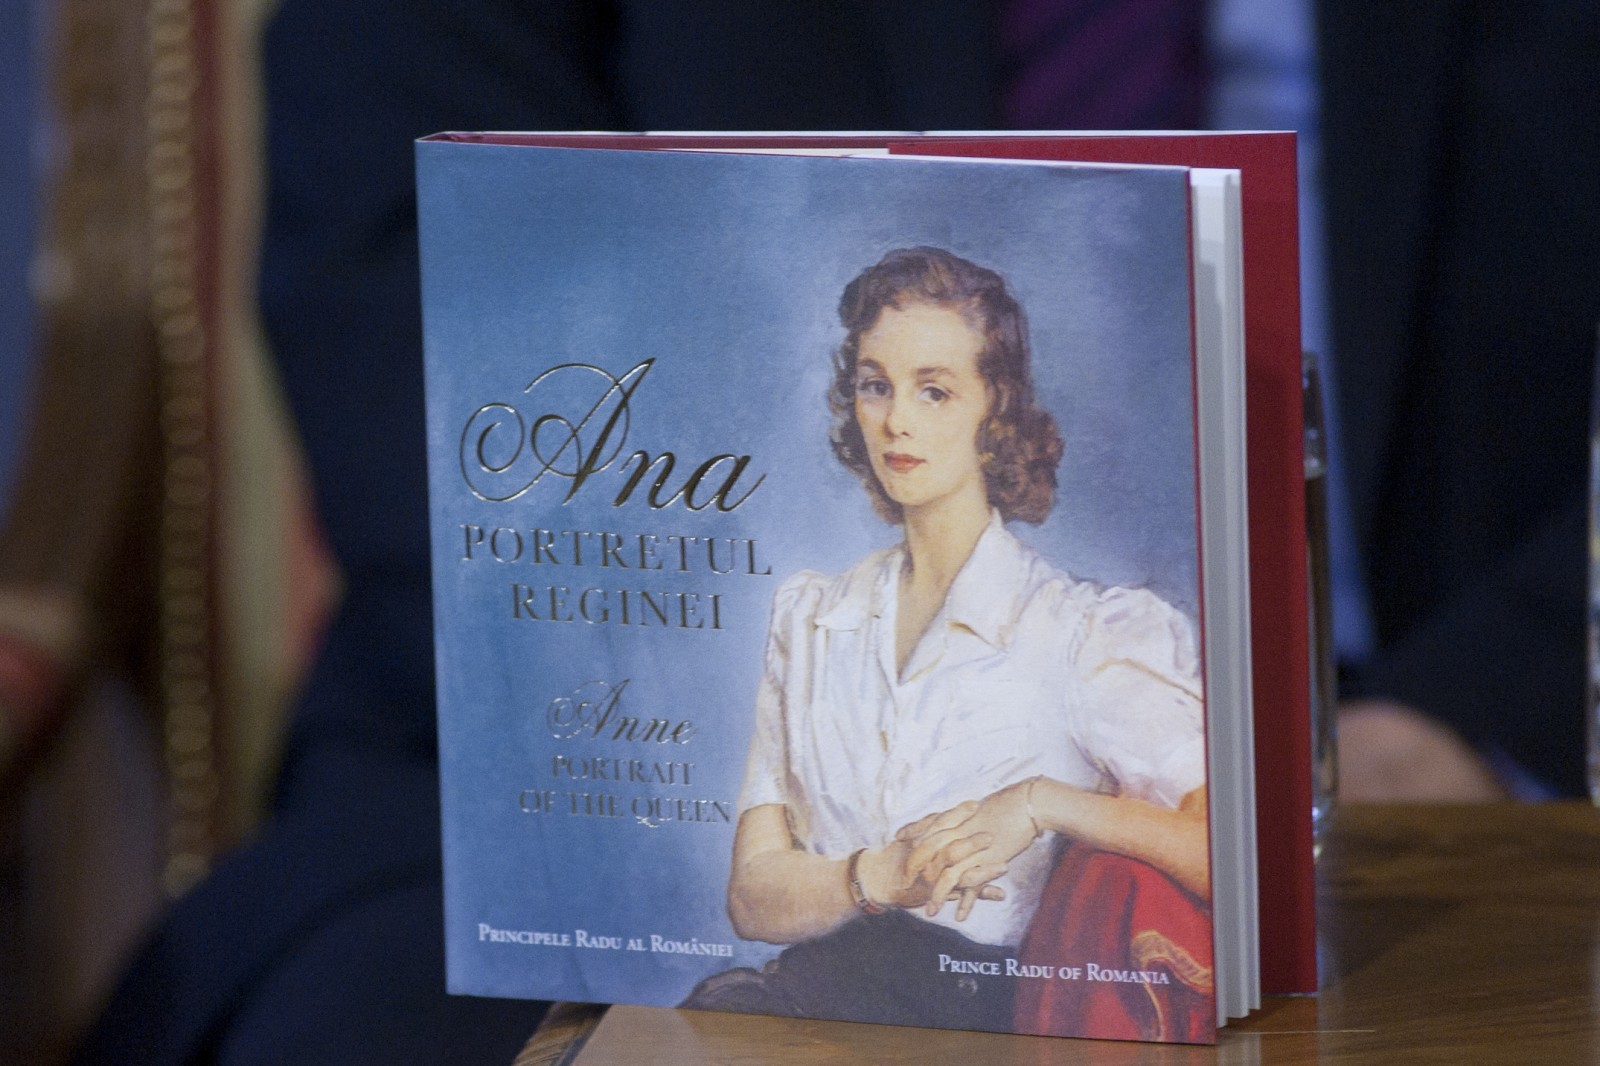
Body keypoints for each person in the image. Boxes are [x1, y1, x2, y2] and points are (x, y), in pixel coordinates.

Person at [683, 247, 1210, 1034]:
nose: (897, 419)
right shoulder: (812, 616)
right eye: (876, 385)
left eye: (934, 390)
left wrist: (1040, 804)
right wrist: (878, 876)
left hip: (970, 1030)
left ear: (995, 411)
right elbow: (753, 897)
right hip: (802, 1005)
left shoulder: (1082, 631)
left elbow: (1228, 854)